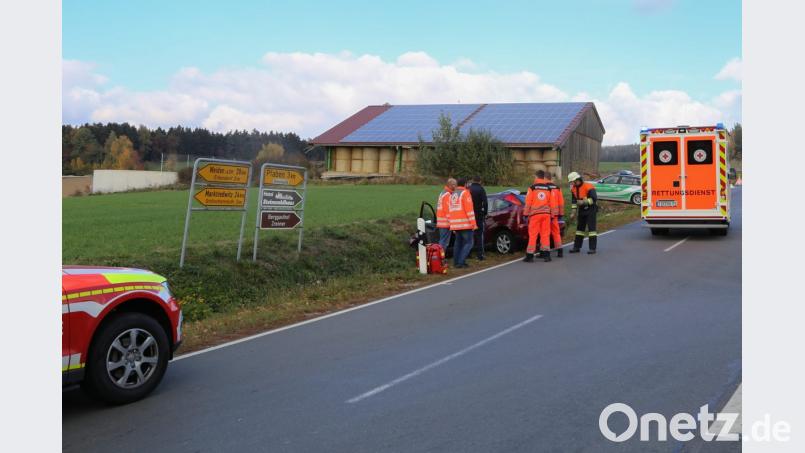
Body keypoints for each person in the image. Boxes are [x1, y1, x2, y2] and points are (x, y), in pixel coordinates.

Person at [523, 170, 556, 263]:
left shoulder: (532, 188)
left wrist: (525, 214)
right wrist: (552, 215)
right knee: (545, 235)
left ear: (537, 177)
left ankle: (529, 256)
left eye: (534, 177)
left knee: (533, 235)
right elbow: (552, 203)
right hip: (546, 215)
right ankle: (547, 256)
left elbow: (528, 203)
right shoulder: (549, 188)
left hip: (535, 215)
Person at [448, 178, 477, 268]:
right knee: (469, 243)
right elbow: (469, 210)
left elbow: (451, 210)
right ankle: (461, 262)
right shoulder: (465, 193)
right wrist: (474, 224)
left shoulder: (453, 194)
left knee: (458, 244)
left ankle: (456, 262)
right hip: (465, 224)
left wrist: (452, 225)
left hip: (456, 225)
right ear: (465, 184)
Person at [567, 171, 598, 254]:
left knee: (591, 230)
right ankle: (576, 247)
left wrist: (584, 202)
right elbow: (574, 201)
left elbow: (594, 199)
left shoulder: (588, 186)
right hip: (582, 210)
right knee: (579, 229)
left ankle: (592, 248)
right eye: (571, 182)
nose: (572, 183)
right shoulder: (573, 188)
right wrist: (573, 211)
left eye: (572, 181)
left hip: (591, 209)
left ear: (578, 179)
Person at [467, 175, 488, 260]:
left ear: (472, 180)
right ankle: (480, 255)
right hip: (478, 214)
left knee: (469, 235)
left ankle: (468, 253)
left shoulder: (468, 189)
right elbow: (485, 202)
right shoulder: (481, 189)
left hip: (469, 215)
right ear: (480, 181)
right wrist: (485, 212)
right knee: (479, 235)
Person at [546, 173, 565, 257]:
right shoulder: (557, 188)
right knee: (556, 232)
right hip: (555, 214)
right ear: (551, 178)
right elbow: (561, 202)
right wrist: (561, 213)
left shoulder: (543, 188)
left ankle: (545, 252)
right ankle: (560, 250)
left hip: (546, 213)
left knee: (545, 233)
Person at [436, 178, 456, 250]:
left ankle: (441, 258)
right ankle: (440, 259)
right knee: (444, 242)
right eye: (454, 184)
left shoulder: (443, 193)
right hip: (445, 223)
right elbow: (448, 211)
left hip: (442, 222)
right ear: (449, 185)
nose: (455, 186)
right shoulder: (447, 195)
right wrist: (452, 223)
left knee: (443, 241)